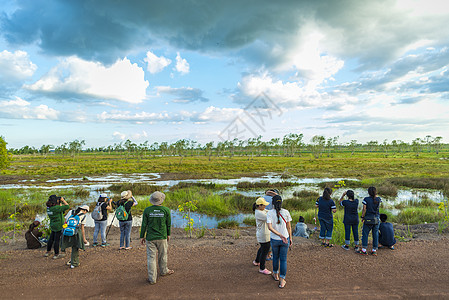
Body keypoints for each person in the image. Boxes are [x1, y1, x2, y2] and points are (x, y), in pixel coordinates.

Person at [140, 191, 174, 285]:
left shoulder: (147, 210)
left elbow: (144, 225)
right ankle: (163, 271)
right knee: (163, 255)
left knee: (151, 258)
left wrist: (142, 236)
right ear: (161, 200)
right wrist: (168, 234)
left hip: (150, 237)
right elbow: (168, 224)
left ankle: (152, 279)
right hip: (162, 237)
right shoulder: (166, 210)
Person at [267, 195, 292, 289]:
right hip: (285, 239)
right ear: (281, 202)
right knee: (283, 259)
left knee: (275, 257)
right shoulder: (286, 212)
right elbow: (289, 227)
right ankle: (282, 281)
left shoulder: (269, 213)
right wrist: (290, 239)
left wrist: (278, 235)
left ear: (272, 203)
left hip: (274, 239)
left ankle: (275, 274)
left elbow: (270, 227)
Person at [359, 186, 382, 256]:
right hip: (376, 218)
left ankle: (364, 250)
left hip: (368, 218)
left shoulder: (366, 199)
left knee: (365, 233)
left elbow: (364, 209)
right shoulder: (378, 199)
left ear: (368, 192)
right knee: (375, 234)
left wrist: (362, 217)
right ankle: (374, 250)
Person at [45, 195, 69, 259]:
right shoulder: (56, 208)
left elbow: (60, 211)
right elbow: (67, 206)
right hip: (58, 225)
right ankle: (56, 254)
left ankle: (48, 252)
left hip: (53, 225)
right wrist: (63, 200)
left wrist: (59, 203)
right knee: (57, 240)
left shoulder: (49, 208)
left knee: (51, 239)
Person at [252, 197, 272, 275]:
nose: (265, 206)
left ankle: (257, 261)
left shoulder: (261, 210)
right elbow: (269, 217)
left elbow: (268, 211)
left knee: (262, 248)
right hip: (264, 234)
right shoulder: (259, 213)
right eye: (264, 205)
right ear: (259, 205)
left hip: (263, 234)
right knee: (265, 251)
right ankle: (262, 268)